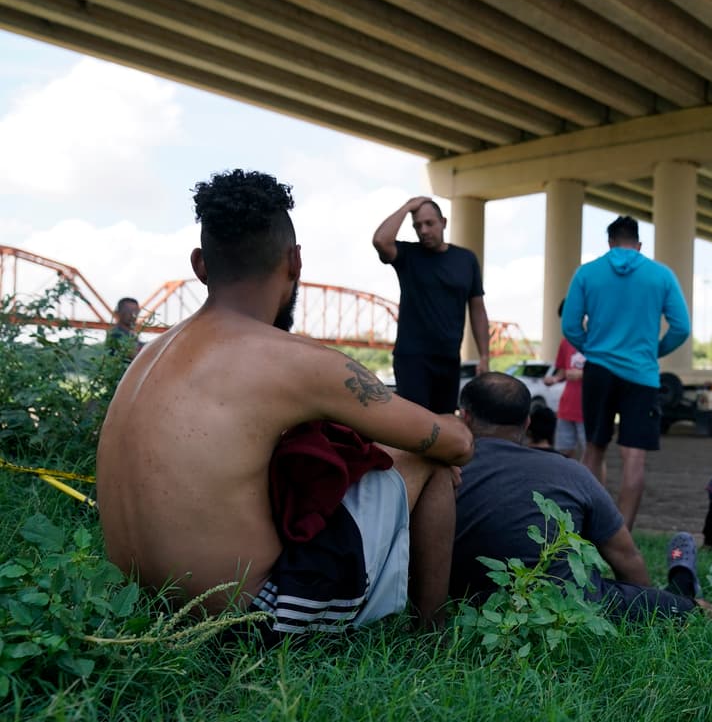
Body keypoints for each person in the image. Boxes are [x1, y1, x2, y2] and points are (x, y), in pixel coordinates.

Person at [98, 170, 474, 640]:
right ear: (295, 261)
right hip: (249, 618)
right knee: (429, 457)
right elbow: (457, 443)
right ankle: (433, 635)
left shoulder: (148, 355)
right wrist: (439, 430)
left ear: (200, 265)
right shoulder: (297, 360)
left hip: (138, 602)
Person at [450, 373, 702, 620]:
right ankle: (683, 590)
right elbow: (626, 558)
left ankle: (679, 586)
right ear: (527, 423)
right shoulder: (571, 472)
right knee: (685, 609)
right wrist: (647, 602)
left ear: (466, 417)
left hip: (469, 608)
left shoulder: (446, 473)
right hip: (571, 609)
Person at [562, 216, 691, 532]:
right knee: (634, 458)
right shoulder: (661, 275)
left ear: (609, 243)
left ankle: (582, 533)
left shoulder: (587, 273)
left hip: (598, 371)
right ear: (639, 244)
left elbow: (569, 326)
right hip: (641, 375)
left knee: (593, 449)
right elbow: (681, 328)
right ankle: (622, 536)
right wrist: (653, 351)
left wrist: (592, 348)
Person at [373, 196, 490, 414]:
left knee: (444, 423)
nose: (424, 230)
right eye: (417, 225)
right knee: (416, 426)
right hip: (413, 359)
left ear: (443, 222)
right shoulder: (408, 255)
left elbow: (477, 308)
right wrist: (407, 206)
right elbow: (381, 240)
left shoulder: (466, 259)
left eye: (429, 223)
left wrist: (484, 355)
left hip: (449, 359)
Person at [543, 299, 587, 460]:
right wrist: (554, 379)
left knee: (591, 455)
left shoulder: (596, 340)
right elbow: (562, 371)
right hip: (567, 406)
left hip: (588, 408)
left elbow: (605, 371)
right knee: (562, 453)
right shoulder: (565, 342)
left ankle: (593, 485)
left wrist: (582, 374)